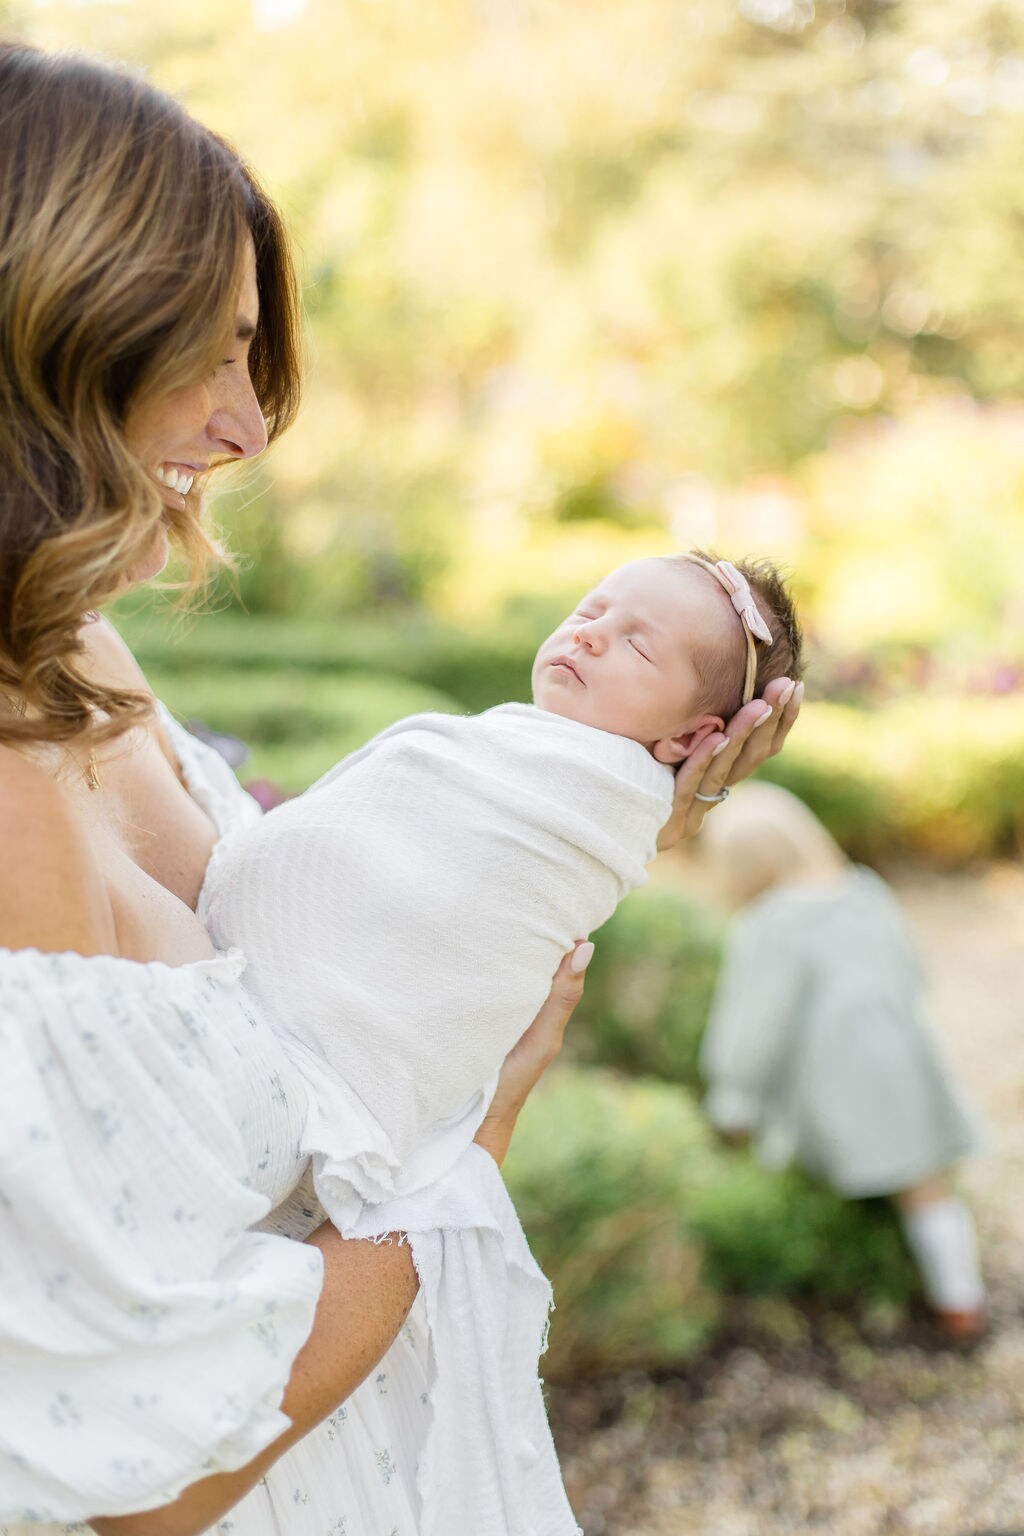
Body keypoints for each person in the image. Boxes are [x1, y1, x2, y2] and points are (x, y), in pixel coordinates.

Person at [0, 40, 802, 1536]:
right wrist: (466, 1150)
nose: (251, 425)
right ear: (51, 334)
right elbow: (145, 1480)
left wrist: (606, 793)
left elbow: (314, 920)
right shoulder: (10, 807)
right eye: (210, 353)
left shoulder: (76, 650)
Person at [200, 552, 802, 1527]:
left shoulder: (596, 802)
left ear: (693, 737)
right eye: (592, 606)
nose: (591, 631)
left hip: (312, 1064)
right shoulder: (506, 745)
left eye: (637, 643)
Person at [697, 781, 988, 1338]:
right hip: (900, 1051)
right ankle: (960, 1300)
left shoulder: (768, 924)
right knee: (924, 1183)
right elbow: (912, 971)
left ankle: (820, 1287)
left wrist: (733, 1093)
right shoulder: (863, 892)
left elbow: (754, 1023)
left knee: (802, 1168)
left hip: (828, 1075)